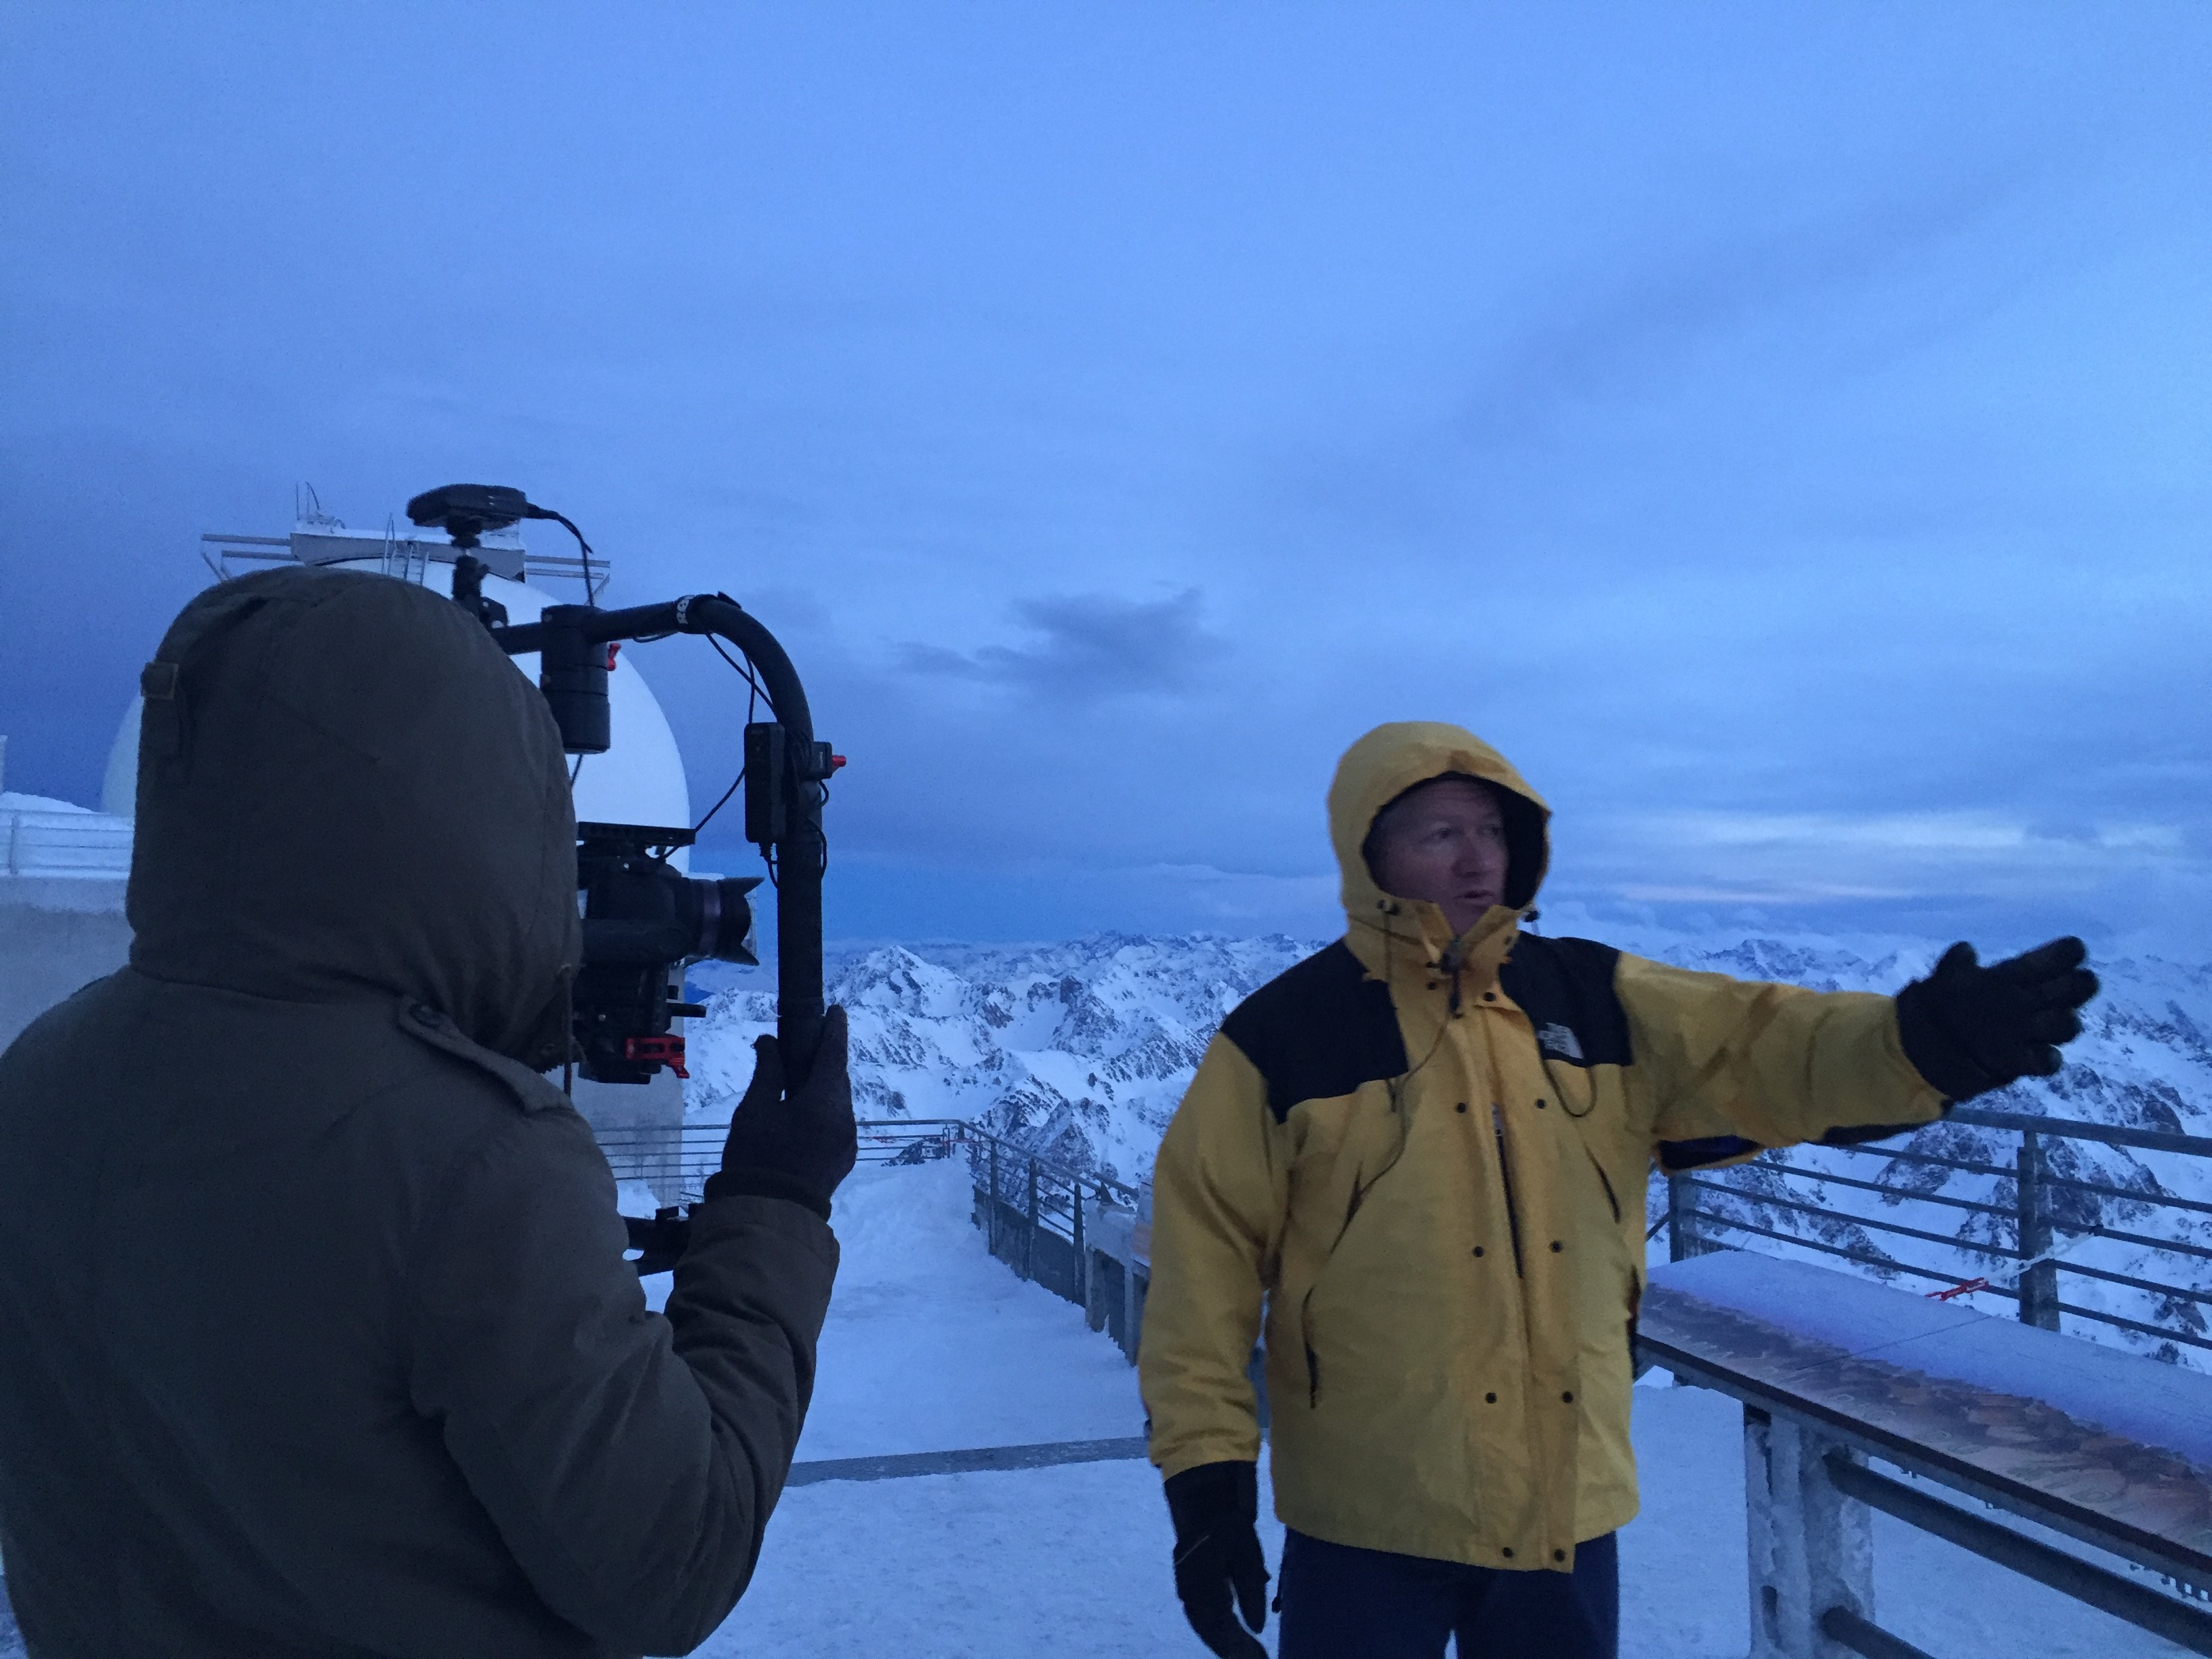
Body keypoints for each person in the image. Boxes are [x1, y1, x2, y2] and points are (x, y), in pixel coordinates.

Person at [0, 567, 858, 1658]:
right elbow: (673, 1560)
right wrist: (777, 1202)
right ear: (473, 815)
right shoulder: (469, 1160)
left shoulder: (43, 1077)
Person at [1139, 720, 2097, 1659]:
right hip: (1367, 1517)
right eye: (1441, 834)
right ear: (1369, 854)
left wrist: (1913, 1046)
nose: (1478, 861)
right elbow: (1202, 1275)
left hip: (1566, 1503)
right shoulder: (1283, 1039)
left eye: (1493, 831)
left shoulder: (1593, 997)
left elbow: (1764, 1047)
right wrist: (1207, 1486)